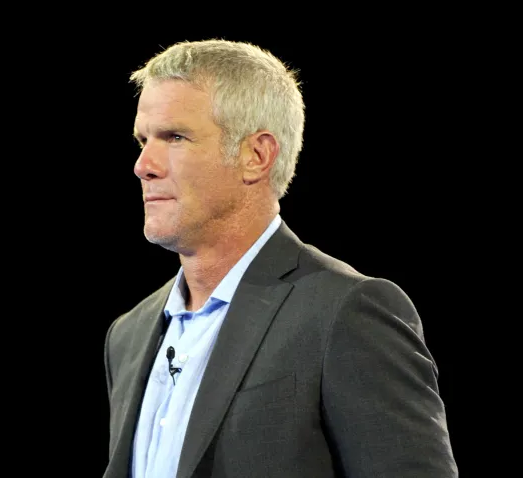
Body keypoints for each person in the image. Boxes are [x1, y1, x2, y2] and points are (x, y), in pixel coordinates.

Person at [102, 39, 457, 478]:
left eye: (174, 137)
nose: (143, 164)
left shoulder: (346, 313)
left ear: (256, 155)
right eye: (142, 139)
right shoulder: (129, 335)